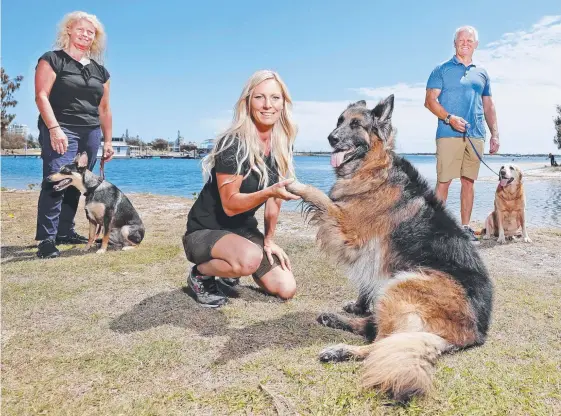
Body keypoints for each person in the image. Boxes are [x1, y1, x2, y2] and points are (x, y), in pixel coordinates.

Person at [182, 70, 301, 308]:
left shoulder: (279, 145)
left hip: (242, 232)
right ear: (248, 102)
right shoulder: (233, 143)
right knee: (248, 260)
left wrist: (268, 241)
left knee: (286, 288)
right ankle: (201, 275)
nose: (268, 105)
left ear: (283, 103)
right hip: (204, 232)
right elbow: (230, 205)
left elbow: (273, 202)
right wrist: (269, 191)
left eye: (275, 98)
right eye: (260, 97)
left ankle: (231, 268)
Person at [34, 11, 114, 258]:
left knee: (77, 182)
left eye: (91, 32)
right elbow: (41, 96)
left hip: (90, 131)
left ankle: (65, 231)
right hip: (61, 127)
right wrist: (54, 128)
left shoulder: (101, 71)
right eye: (81, 29)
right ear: (68, 29)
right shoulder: (52, 59)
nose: (86, 34)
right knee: (56, 180)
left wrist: (108, 140)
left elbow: (104, 108)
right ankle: (46, 240)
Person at [425, 25, 500, 244]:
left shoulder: (482, 73)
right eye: (461, 40)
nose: (465, 43)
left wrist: (495, 134)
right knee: (444, 181)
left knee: (469, 182)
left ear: (476, 45)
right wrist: (450, 118)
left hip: (476, 135)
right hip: (448, 133)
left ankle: (465, 227)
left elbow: (488, 105)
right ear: (454, 43)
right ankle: (437, 230)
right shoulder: (441, 69)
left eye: (469, 40)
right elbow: (430, 101)